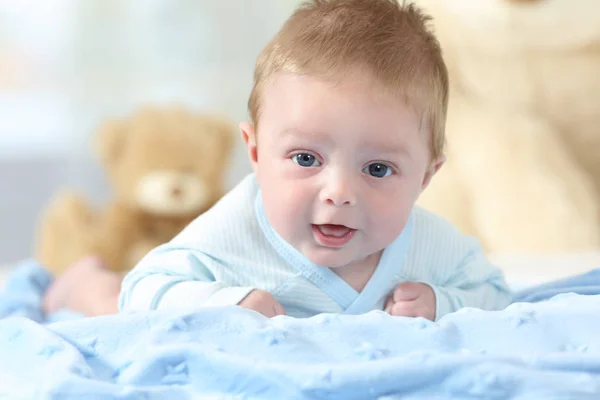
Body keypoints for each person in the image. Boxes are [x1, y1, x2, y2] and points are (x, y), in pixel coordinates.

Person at [44, 0, 511, 320]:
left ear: (426, 177)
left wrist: (440, 303)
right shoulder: (236, 228)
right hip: (139, 291)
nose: (339, 192)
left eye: (377, 169)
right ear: (255, 153)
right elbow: (148, 284)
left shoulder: (433, 246)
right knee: (115, 303)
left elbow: (496, 296)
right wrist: (225, 303)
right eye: (306, 157)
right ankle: (79, 282)